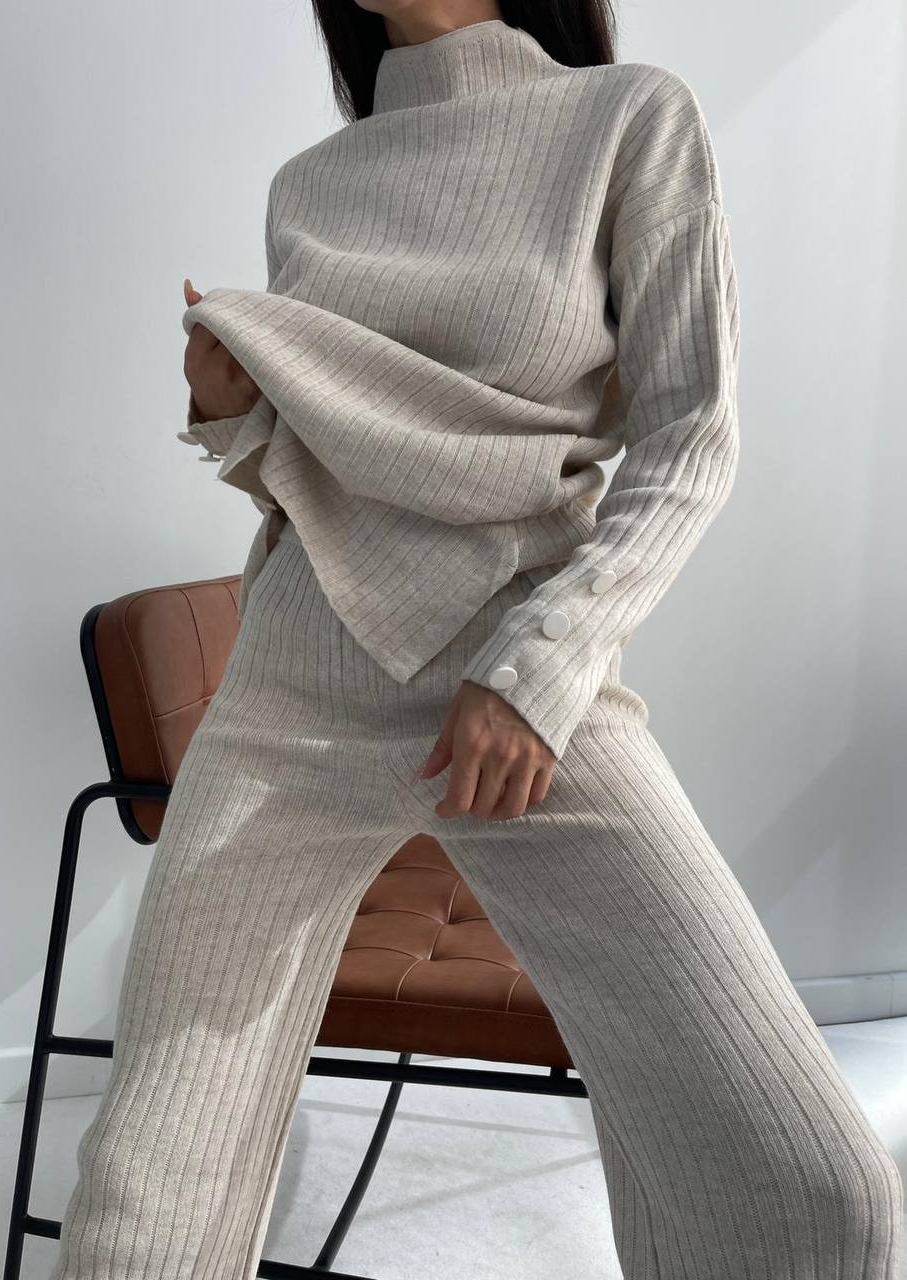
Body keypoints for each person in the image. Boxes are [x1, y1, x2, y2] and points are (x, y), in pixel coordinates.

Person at [51, 3, 903, 1277]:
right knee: (142, 1191)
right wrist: (231, 417)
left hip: (519, 687)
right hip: (287, 694)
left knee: (813, 1182)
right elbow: (334, 473)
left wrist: (537, 669)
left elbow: (691, 440)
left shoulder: (627, 118)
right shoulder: (311, 184)